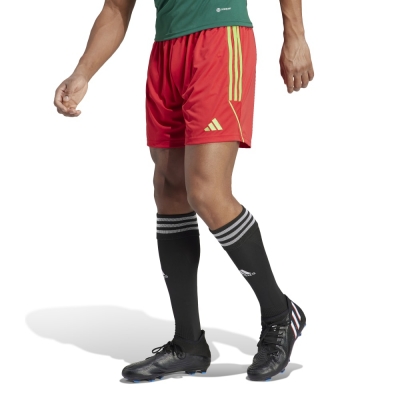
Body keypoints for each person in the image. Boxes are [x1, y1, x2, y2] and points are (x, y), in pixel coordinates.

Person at [54, 0, 314, 382]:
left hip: (219, 35)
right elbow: (116, 8)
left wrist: (295, 35)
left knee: (207, 192)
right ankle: (189, 343)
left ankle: (280, 314)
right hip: (167, 49)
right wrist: (83, 73)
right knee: (169, 188)